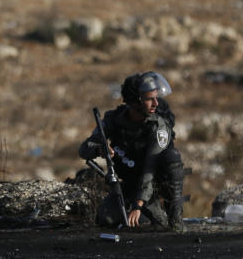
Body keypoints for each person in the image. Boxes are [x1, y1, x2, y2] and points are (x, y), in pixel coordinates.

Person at [79, 71, 187, 229]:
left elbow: (150, 168)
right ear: (135, 102)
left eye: (156, 98)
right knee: (107, 220)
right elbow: (84, 149)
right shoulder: (114, 119)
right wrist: (99, 149)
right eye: (149, 99)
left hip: (152, 184)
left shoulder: (157, 126)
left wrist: (138, 205)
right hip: (128, 183)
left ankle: (174, 218)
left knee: (171, 157)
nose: (156, 104)